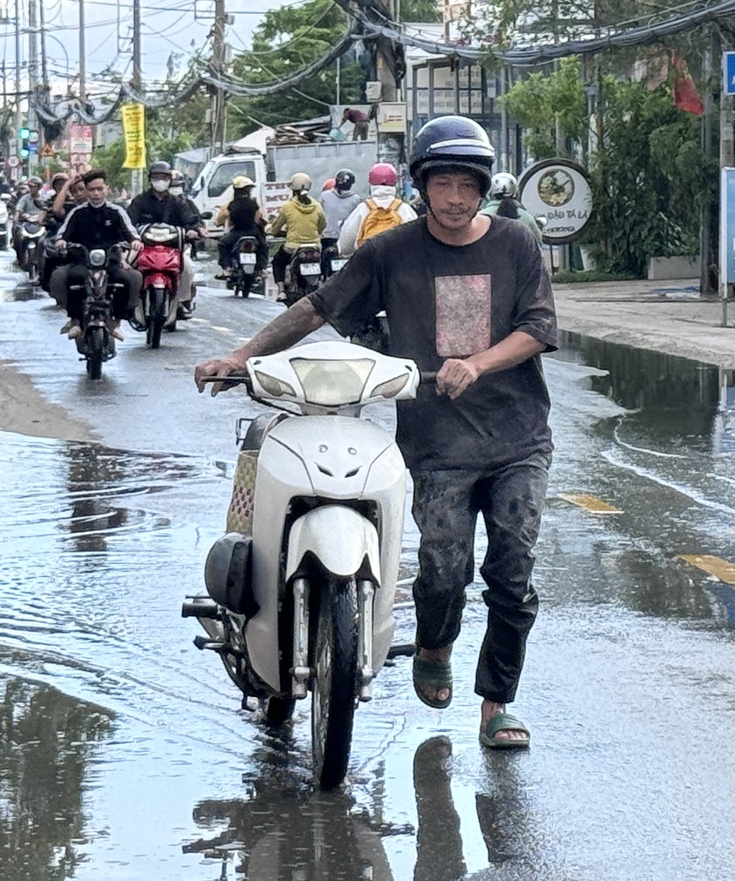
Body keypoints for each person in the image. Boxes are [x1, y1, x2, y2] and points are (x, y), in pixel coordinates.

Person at [194, 115, 555, 752]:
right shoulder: (392, 251)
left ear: (481, 188)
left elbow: (537, 328)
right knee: (444, 568)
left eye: (464, 185)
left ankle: (497, 704)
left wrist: (478, 362)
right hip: (437, 445)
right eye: (440, 183)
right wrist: (243, 357)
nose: (453, 198)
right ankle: (436, 646)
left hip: (518, 438)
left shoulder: (516, 244)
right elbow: (318, 308)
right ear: (421, 186)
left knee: (512, 568)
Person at [49, 170, 138, 334]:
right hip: (82, 260)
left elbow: (131, 232)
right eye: (91, 189)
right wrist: (61, 241)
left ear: (107, 189)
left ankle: (116, 321)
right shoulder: (77, 213)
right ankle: (75, 320)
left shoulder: (116, 212)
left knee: (125, 279)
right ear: (86, 191)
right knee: (74, 277)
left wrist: (135, 242)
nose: (96, 193)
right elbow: (63, 233)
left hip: (110, 260)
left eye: (99, 189)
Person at [124, 161, 204, 314]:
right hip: (143, 247)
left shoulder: (178, 202)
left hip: (173, 248)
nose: (160, 181)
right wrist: (131, 236)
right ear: (151, 179)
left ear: (169, 180)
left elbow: (189, 218)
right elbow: (129, 221)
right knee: (126, 265)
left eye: (164, 177)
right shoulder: (140, 200)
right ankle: (128, 301)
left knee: (187, 268)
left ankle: (181, 301)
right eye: (156, 177)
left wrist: (193, 230)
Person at [268, 172, 329, 291]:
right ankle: (322, 282)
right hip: (315, 247)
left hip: (292, 247)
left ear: (293, 190)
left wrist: (272, 231)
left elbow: (276, 227)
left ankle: (281, 290)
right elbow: (322, 225)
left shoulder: (288, 207)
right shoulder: (317, 206)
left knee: (278, 262)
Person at [336, 162, 416, 254]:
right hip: (399, 265)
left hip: (369, 264)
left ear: (371, 183)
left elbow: (345, 246)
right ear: (394, 183)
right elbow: (418, 242)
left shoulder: (363, 209)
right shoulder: (404, 209)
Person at [213, 174, 266, 272]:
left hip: (237, 233)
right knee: (263, 246)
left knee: (222, 245)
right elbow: (259, 218)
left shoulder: (231, 204)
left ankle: (227, 268)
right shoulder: (253, 203)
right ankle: (262, 269)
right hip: (253, 233)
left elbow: (225, 216)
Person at [482, 171, 542, 246]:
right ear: (515, 192)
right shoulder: (527, 217)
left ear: (490, 193)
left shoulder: (481, 216)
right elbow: (537, 244)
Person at [318, 169, 363, 263]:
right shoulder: (356, 200)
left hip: (327, 238)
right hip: (348, 239)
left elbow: (318, 217)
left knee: (323, 264)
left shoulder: (324, 196)